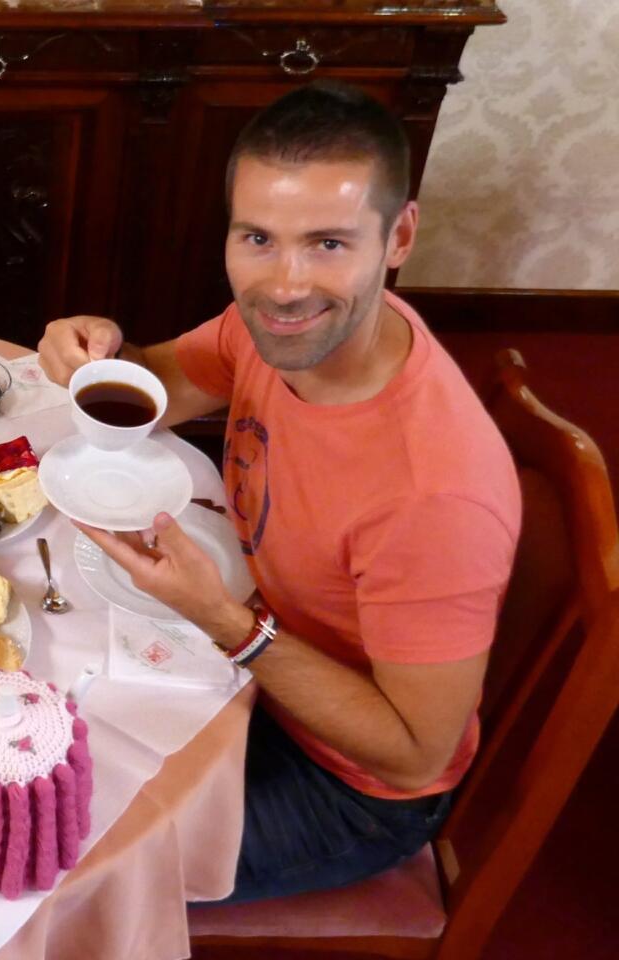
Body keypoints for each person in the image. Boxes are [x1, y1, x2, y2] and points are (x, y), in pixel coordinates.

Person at [38, 81, 521, 903]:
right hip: (248, 676)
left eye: (329, 243)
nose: (286, 285)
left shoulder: (436, 495)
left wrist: (228, 623)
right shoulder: (267, 331)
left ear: (399, 234)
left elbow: (413, 754)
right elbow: (157, 383)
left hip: (345, 789)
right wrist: (98, 350)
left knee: (32, 853)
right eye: (258, 237)